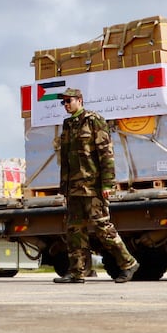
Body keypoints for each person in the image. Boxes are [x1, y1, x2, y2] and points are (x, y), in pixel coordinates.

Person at [53, 88, 139, 284]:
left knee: (102, 228)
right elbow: (65, 160)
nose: (65, 105)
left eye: (69, 101)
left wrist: (108, 183)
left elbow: (106, 154)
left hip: (93, 186)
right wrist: (64, 188)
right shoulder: (68, 124)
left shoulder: (94, 120)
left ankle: (128, 264)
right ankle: (77, 272)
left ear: (80, 101)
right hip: (74, 188)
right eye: (63, 102)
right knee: (75, 230)